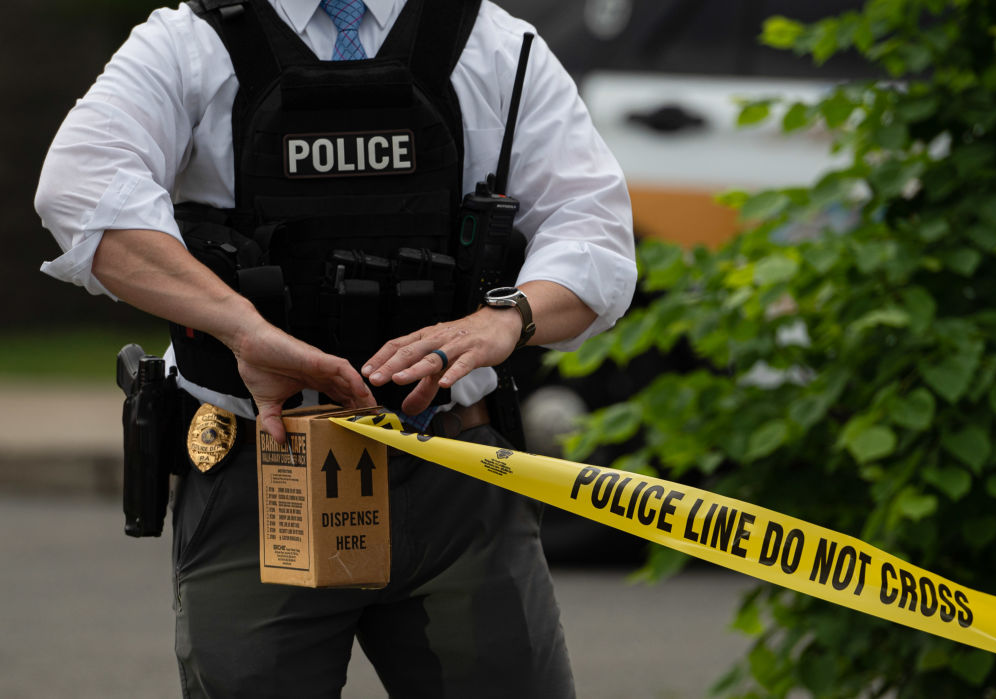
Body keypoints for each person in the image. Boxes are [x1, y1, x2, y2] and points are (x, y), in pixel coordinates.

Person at [35, 0, 636, 696]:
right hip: (261, 473)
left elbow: (595, 228)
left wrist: (507, 318)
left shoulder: (494, 44)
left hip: (455, 478)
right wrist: (240, 326)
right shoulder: (192, 43)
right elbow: (77, 189)